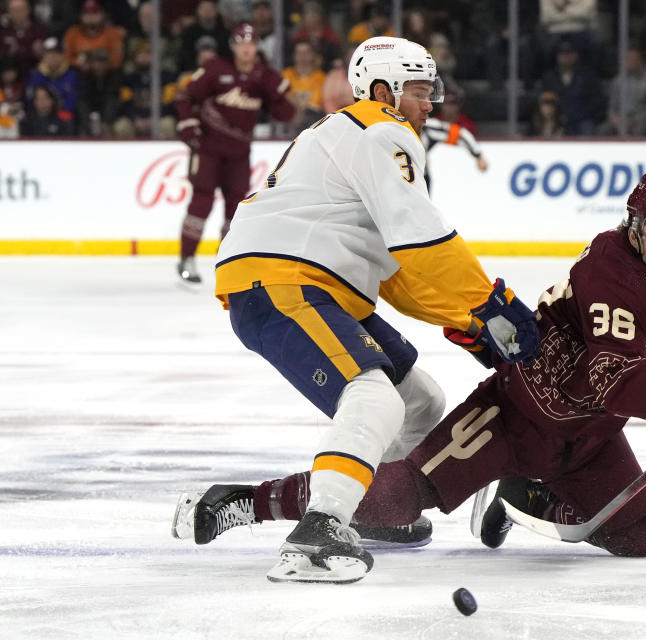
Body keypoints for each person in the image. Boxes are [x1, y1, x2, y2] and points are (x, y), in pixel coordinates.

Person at [171, 173, 646, 569]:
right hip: (515, 416)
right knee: (394, 501)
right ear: (633, 228)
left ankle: (524, 493)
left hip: (592, 437)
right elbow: (608, 377)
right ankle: (247, 503)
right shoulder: (609, 274)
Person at [172, 35, 540, 584]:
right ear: (384, 90)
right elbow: (421, 238)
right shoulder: (380, 128)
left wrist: (465, 318)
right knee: (373, 397)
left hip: (312, 279)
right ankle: (320, 529)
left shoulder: (354, 134)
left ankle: (375, 509)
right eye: (419, 90)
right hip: (285, 279)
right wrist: (487, 305)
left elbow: (397, 270)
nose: (429, 103)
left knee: (420, 400)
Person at [172, 23, 294, 285]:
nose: (246, 48)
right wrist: (189, 126)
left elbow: (285, 114)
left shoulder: (263, 76)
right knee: (201, 202)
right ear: (233, 45)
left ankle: (227, 262)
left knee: (236, 209)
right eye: (241, 43)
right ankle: (186, 258)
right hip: (208, 150)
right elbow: (184, 97)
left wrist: (281, 95)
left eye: (251, 43)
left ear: (257, 46)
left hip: (239, 153)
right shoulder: (216, 69)